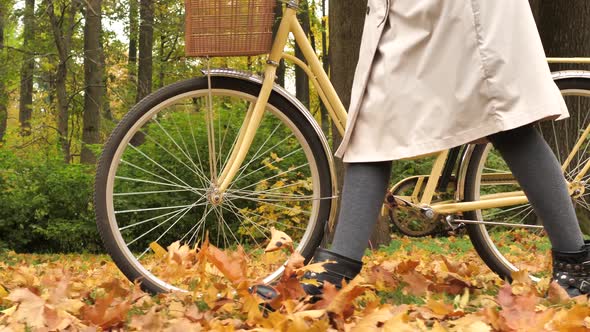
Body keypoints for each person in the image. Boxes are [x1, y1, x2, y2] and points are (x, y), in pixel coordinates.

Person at [258, 0, 590, 300]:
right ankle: (334, 273)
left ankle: (575, 265)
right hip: (403, 12)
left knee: (505, 119)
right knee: (371, 121)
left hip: (467, 11)